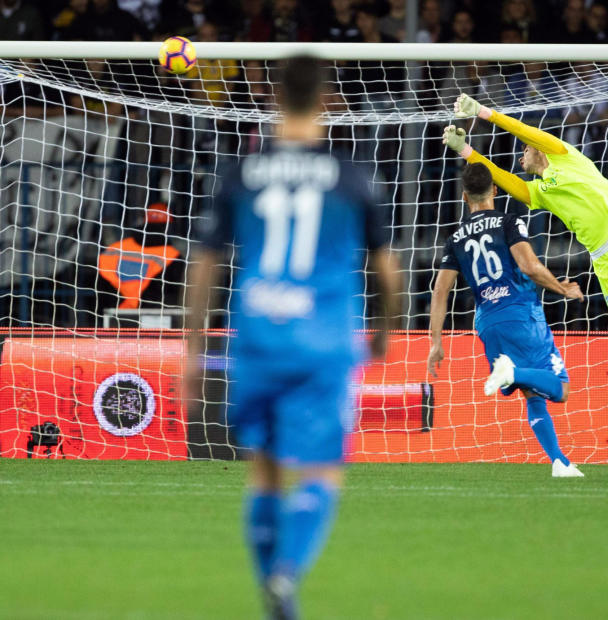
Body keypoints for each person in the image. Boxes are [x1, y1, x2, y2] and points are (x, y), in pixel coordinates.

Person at [185, 55, 400, 619]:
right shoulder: (353, 175)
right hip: (324, 339)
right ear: (326, 97)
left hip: (257, 335)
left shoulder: (239, 173)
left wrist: (192, 348)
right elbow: (387, 271)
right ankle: (286, 574)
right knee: (323, 469)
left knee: (264, 470)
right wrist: (383, 331)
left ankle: (274, 592)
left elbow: (205, 263)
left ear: (274, 96)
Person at [442, 93, 608, 418]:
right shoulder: (539, 192)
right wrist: (466, 151)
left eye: (524, 149)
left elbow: (525, 130)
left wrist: (484, 113)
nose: (521, 153)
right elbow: (500, 178)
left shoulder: (565, 155)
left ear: (537, 149)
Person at [427, 163, 585, 478]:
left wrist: (435, 342)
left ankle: (559, 462)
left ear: (464, 196)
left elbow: (440, 290)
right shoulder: (509, 222)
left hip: (487, 321)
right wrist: (561, 288)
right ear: (495, 191)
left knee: (531, 391)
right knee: (561, 389)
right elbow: (529, 266)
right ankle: (511, 373)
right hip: (520, 314)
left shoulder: (456, 238)